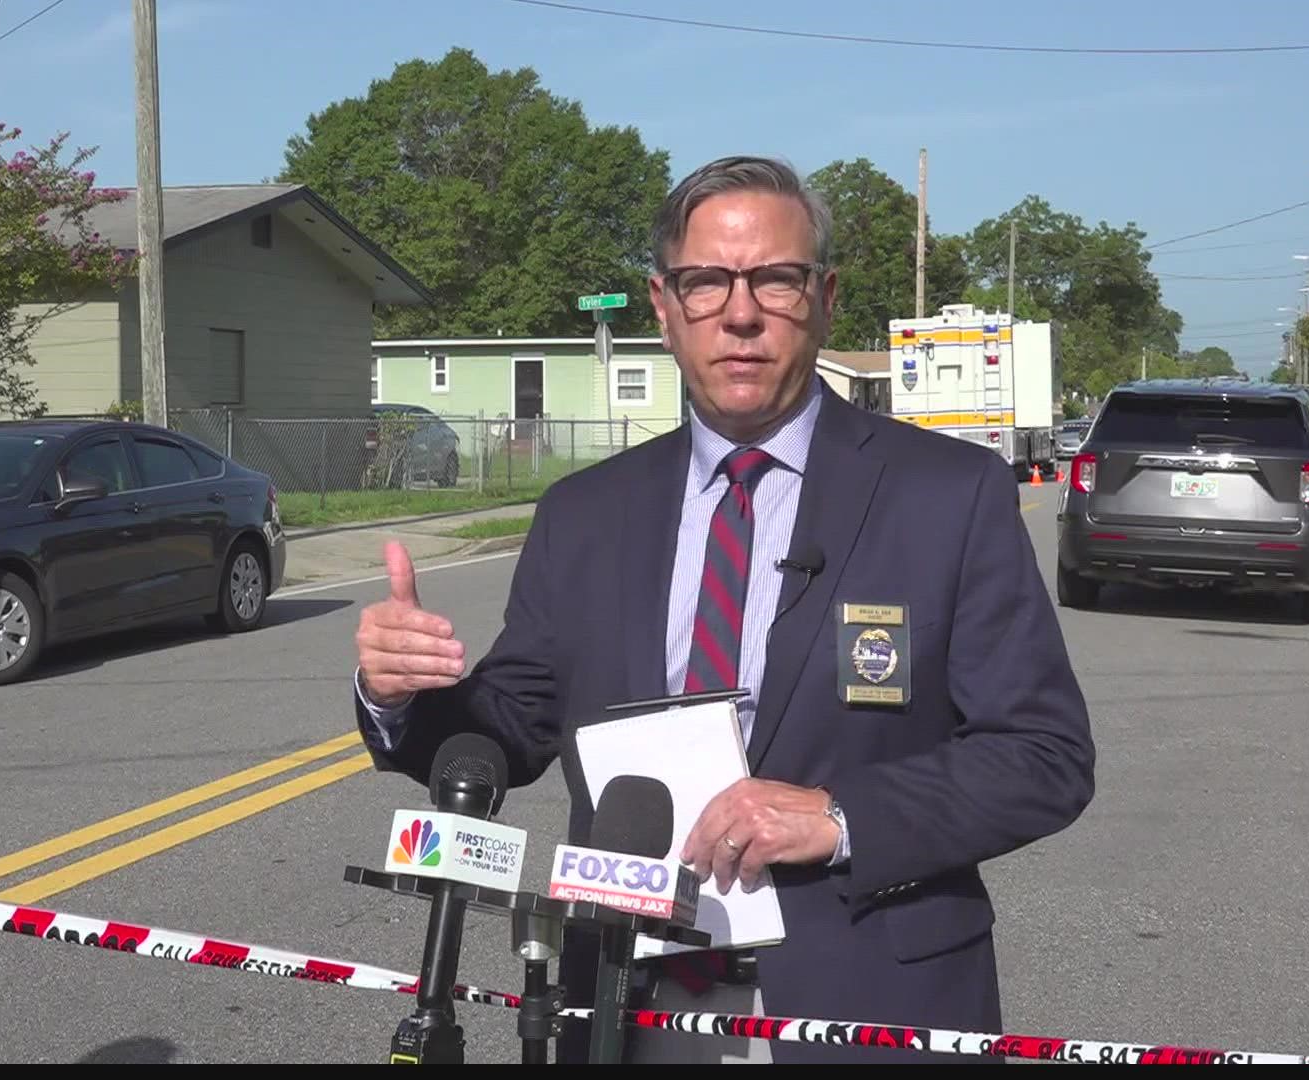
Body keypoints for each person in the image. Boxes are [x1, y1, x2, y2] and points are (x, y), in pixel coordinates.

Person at [351, 155, 1094, 1064]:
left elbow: (1042, 756)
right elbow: (506, 729)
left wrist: (838, 815)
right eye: (707, 282)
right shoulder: (585, 514)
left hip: (865, 1005)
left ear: (822, 297)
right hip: (626, 1002)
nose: (740, 314)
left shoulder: (949, 495)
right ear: (664, 307)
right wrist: (399, 695)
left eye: (775, 280)